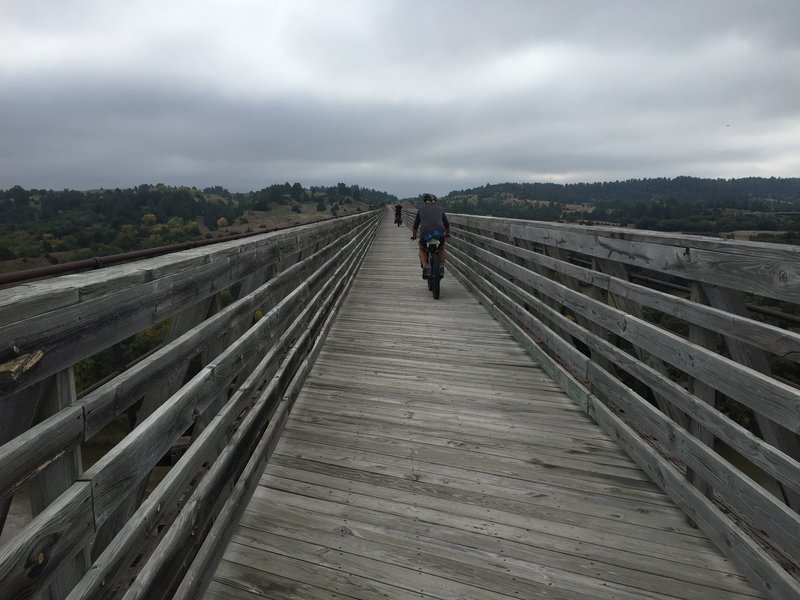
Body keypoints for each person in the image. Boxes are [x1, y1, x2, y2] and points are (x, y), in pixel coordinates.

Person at [411, 193, 450, 279]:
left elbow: (415, 226)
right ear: (435, 201)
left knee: (422, 249)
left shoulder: (421, 209)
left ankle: (426, 267)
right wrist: (446, 234)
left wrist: (414, 236)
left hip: (426, 235)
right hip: (438, 234)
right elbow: (447, 224)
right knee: (441, 248)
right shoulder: (440, 209)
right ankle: (441, 266)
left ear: (425, 202)